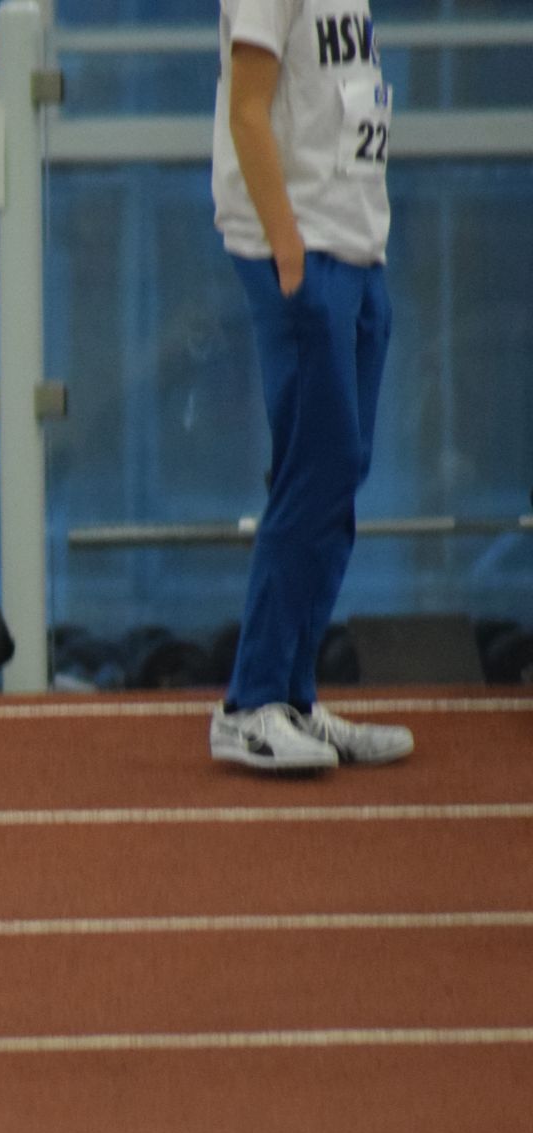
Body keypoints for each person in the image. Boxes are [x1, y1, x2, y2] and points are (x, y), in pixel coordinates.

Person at [206, 0, 411, 770]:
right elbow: (247, 109)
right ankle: (250, 703)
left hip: (356, 246)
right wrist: (288, 250)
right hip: (304, 251)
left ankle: (293, 695)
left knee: (339, 474)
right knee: (313, 473)